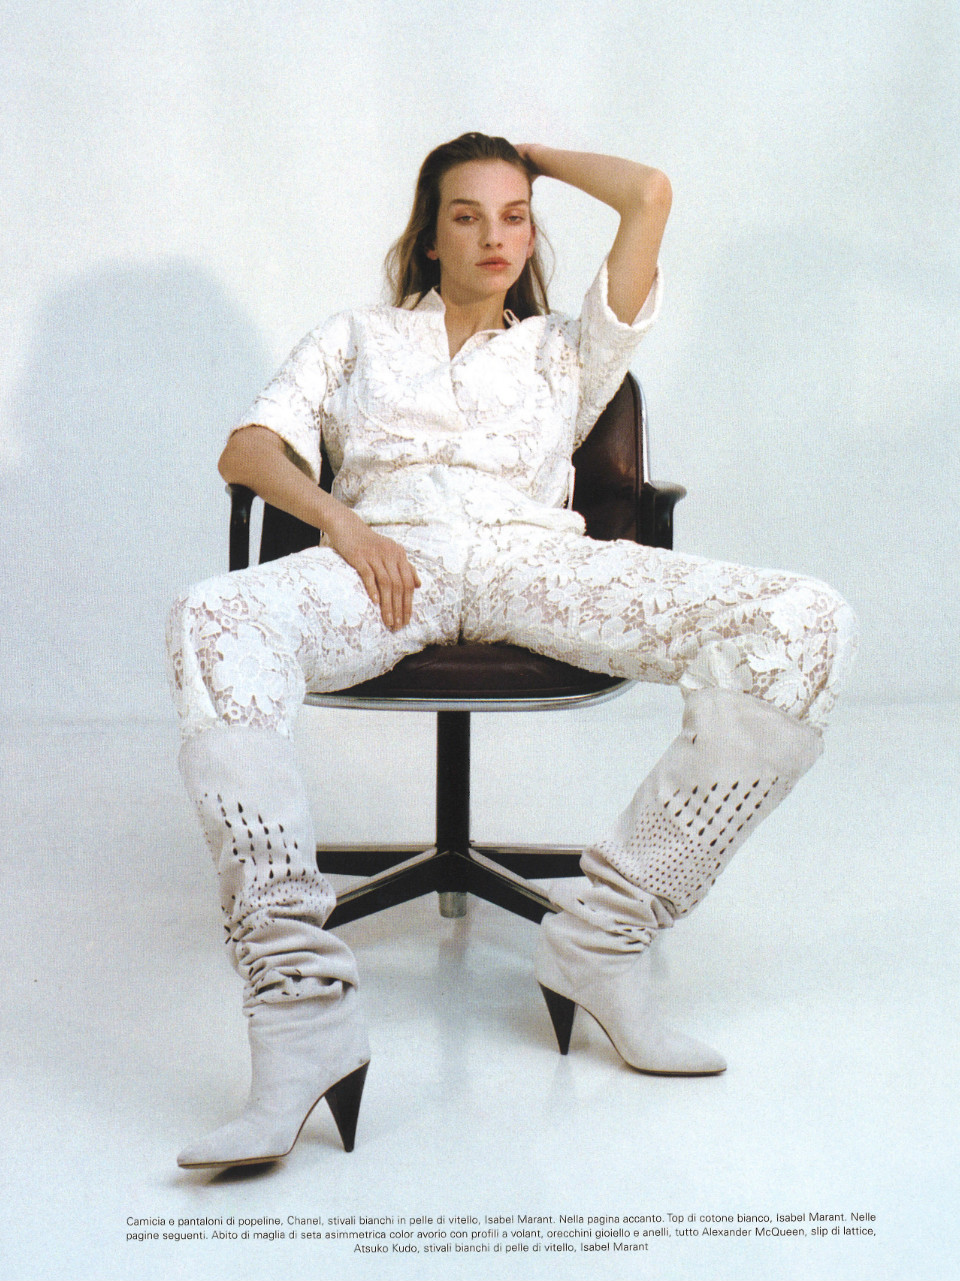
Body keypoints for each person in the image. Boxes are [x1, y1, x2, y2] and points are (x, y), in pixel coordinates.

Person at [166, 132, 857, 1170]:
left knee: (806, 618)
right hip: (385, 565)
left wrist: (526, 156)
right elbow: (247, 447)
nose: (494, 235)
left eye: (514, 217)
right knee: (209, 616)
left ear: (531, 235)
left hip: (535, 564)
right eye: (466, 214)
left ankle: (607, 937)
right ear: (428, 236)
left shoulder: (565, 350)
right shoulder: (356, 337)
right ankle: (300, 1014)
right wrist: (342, 524)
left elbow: (650, 193)